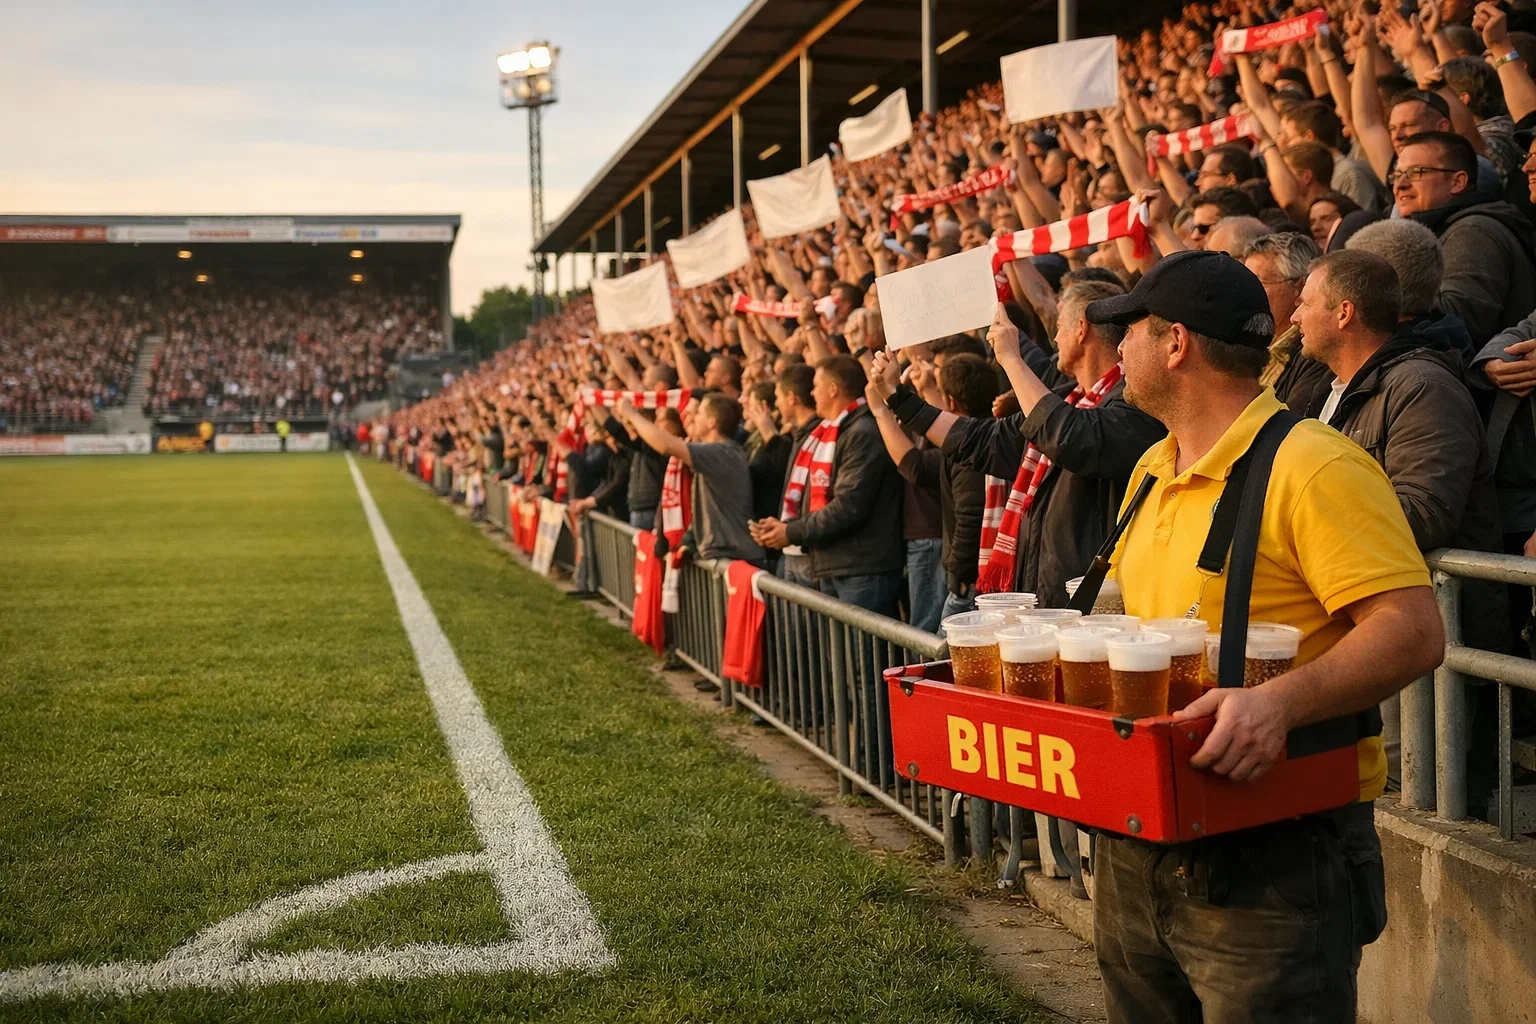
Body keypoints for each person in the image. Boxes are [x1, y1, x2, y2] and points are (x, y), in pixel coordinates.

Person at [1088, 249, 1444, 1021]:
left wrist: (1277, 705)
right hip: (1143, 835)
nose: (1116, 350)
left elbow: (1412, 632)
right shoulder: (1154, 463)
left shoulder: (1316, 465)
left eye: (1131, 331)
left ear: (1176, 343)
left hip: (1274, 852)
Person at [1292, 248, 1508, 807]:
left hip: (1426, 645)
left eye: (1305, 303)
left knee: (1421, 804)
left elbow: (1425, 511)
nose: (1294, 317)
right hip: (1367, 633)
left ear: (1344, 313)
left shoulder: (1421, 386)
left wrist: (1305, 546)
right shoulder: (1324, 390)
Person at [870, 282, 1166, 607]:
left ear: (1081, 330)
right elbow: (979, 440)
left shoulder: (1134, 403)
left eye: (1057, 327)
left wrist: (1011, 359)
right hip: (1046, 600)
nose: (1053, 338)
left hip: (1092, 610)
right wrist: (898, 398)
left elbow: (1074, 438)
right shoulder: (1066, 400)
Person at [748, 355, 904, 618]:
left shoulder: (861, 433)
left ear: (833, 389)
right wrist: (784, 527)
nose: (811, 393)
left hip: (862, 568)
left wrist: (791, 531)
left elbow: (848, 507)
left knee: (863, 657)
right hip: (836, 564)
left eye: (816, 386)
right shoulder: (827, 432)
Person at [866, 352, 998, 621]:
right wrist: (926, 388)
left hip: (965, 577)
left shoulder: (970, 447)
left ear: (951, 400)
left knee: (933, 652)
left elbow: (918, 467)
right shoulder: (991, 432)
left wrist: (882, 412)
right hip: (967, 570)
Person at [1394, 131, 1536, 347]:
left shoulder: (1473, 232)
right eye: (1396, 175)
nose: (1400, 185)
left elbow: (1459, 325)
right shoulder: (1451, 228)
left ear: (1457, 182)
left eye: (1416, 172)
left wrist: (1382, 301)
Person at [615, 393, 765, 564]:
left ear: (712, 422)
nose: (691, 417)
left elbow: (666, 445)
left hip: (736, 557)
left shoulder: (721, 452)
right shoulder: (718, 453)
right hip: (728, 555)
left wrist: (632, 415)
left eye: (699, 413)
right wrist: (689, 542)